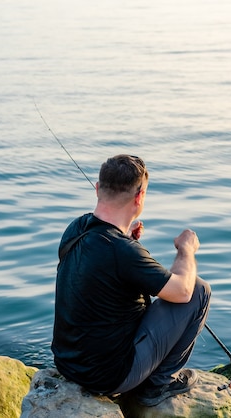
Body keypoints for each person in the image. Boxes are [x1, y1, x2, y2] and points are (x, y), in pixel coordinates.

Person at [51, 154, 211, 407]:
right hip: (108, 377)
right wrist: (186, 250)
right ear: (139, 197)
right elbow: (182, 292)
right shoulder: (122, 251)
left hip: (68, 363)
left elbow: (103, 270)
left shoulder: (76, 228)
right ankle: (158, 385)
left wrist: (127, 237)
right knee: (199, 290)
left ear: (97, 189)